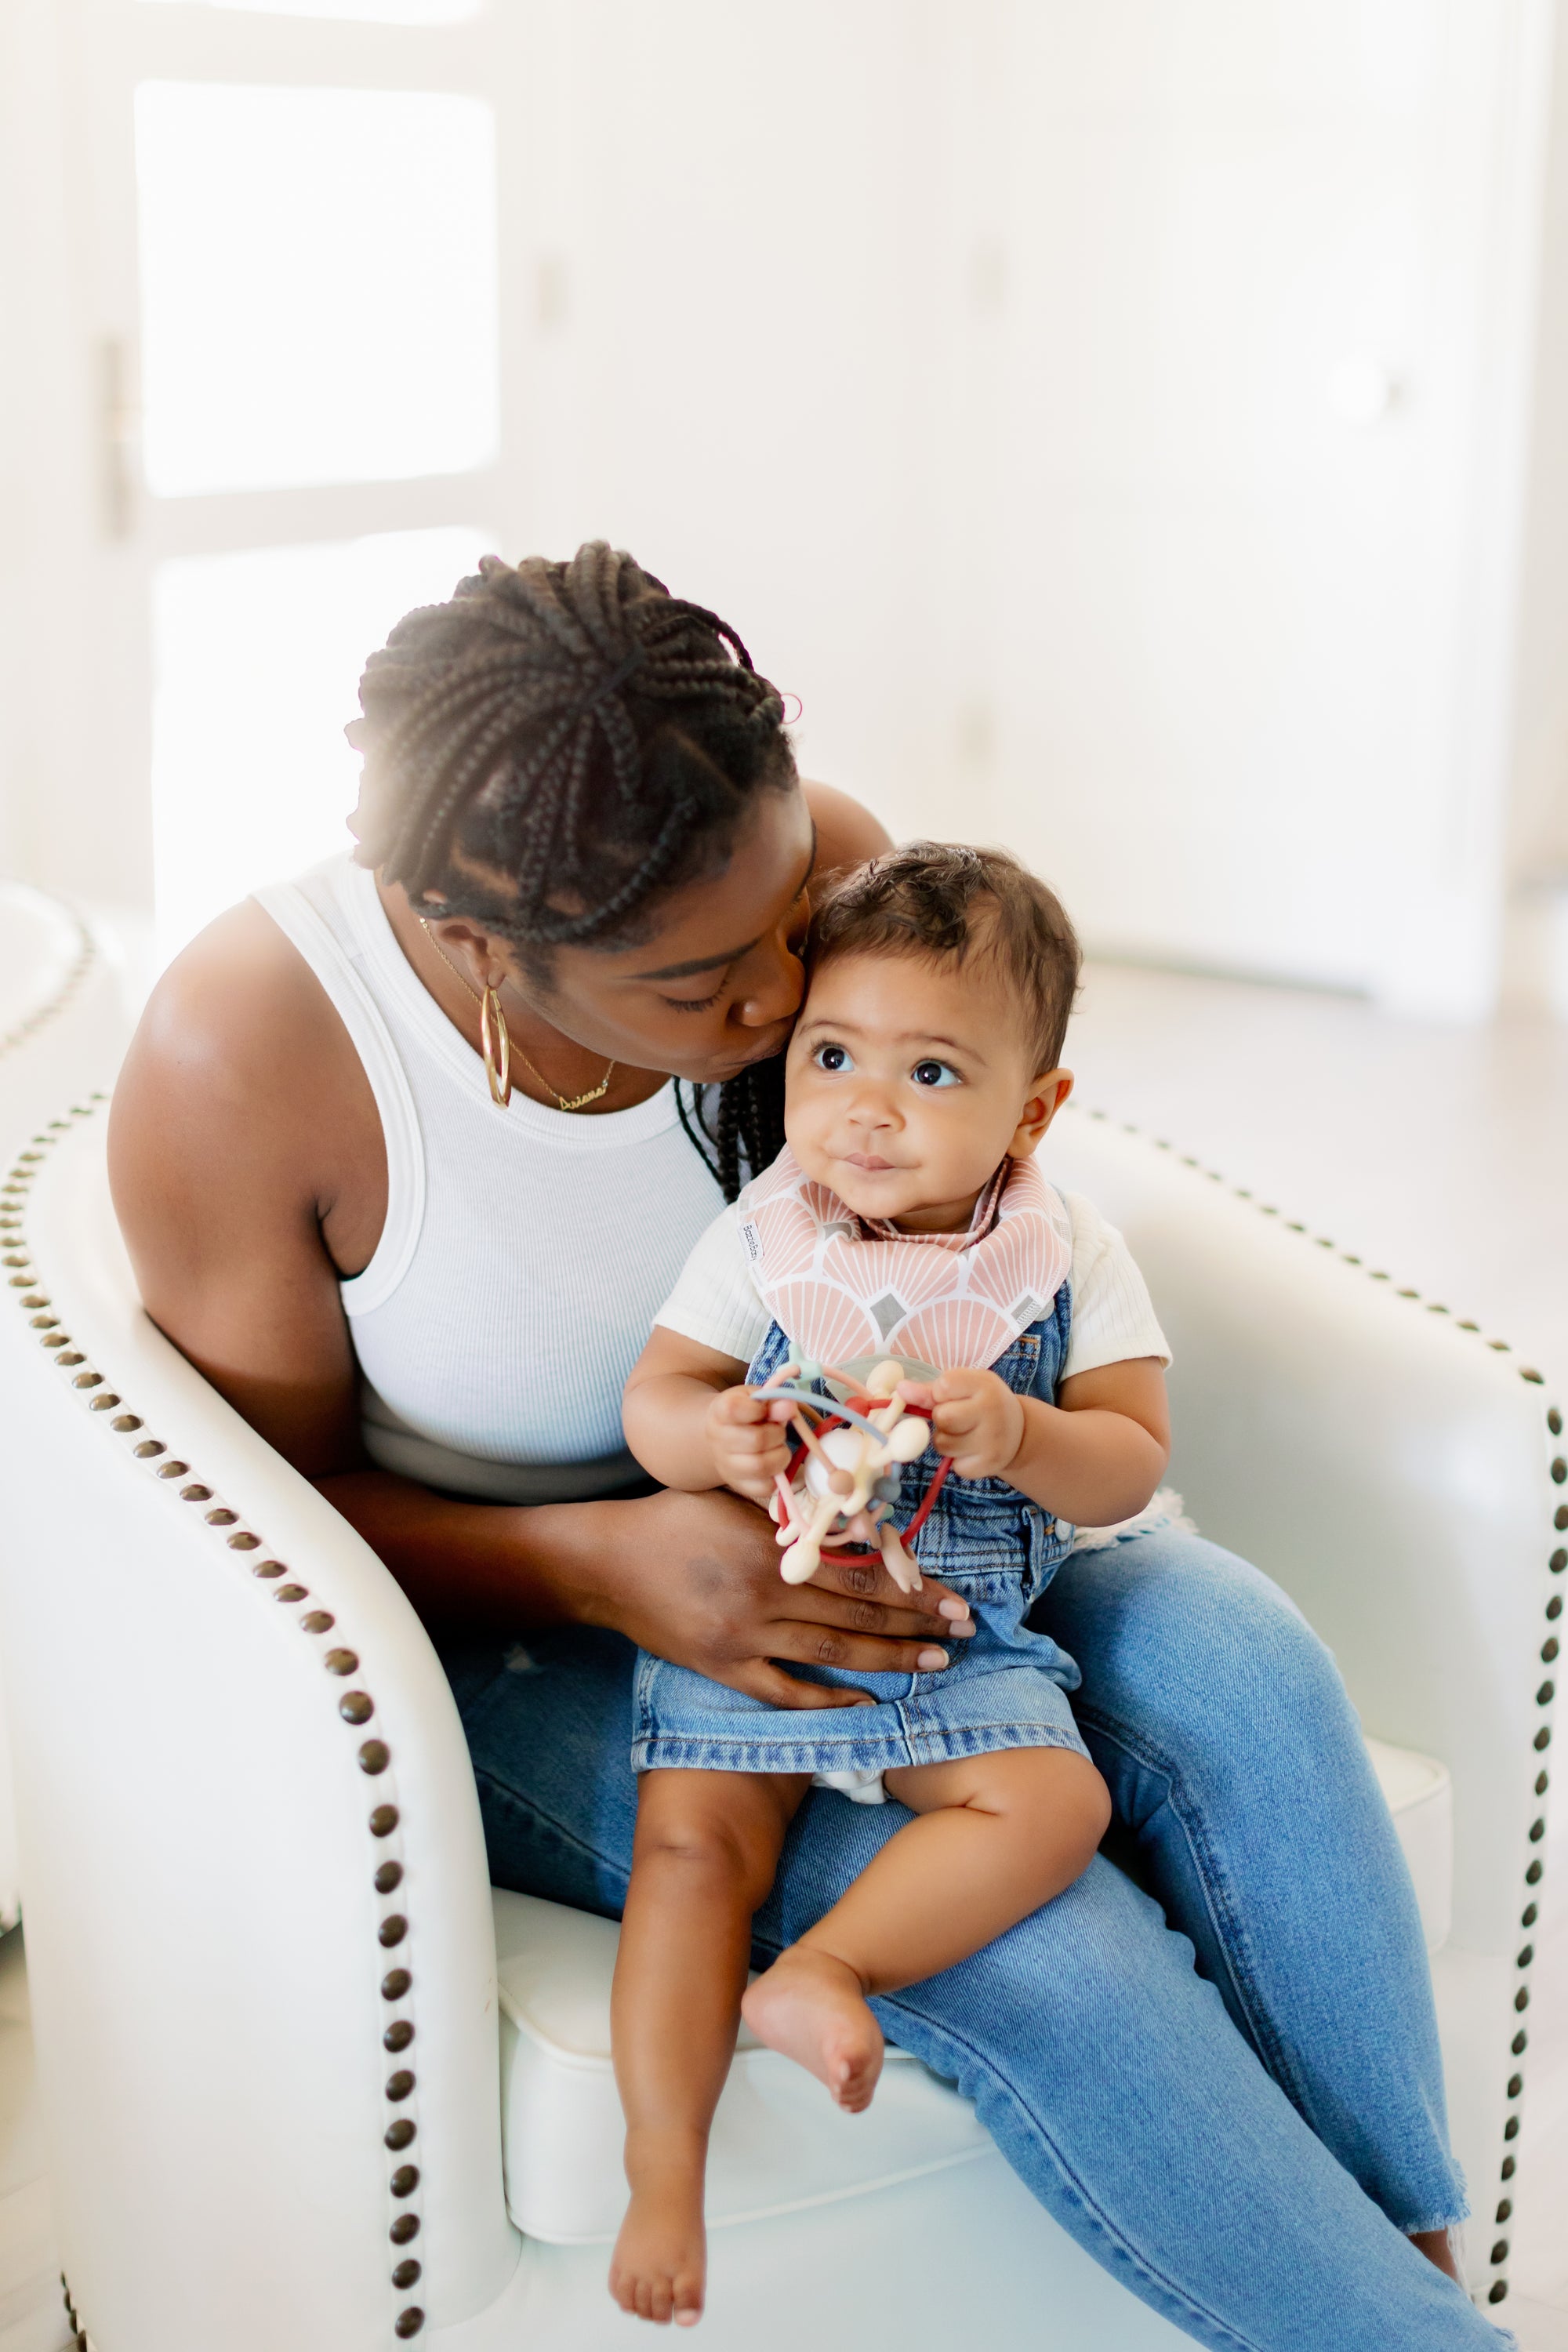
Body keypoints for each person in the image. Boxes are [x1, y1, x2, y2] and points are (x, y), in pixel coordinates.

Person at [108, 544, 1504, 2349]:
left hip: (915, 1502)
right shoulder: (260, 1053)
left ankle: (1404, 2283)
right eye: (708, 982)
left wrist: (1005, 1422)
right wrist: (600, 1558)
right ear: (479, 944)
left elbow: (972, 1179)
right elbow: (237, 1528)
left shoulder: (817, 872)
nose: (783, 999)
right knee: (1037, 1943)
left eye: (790, 925)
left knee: (1243, 1667)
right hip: (514, 1615)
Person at [611, 842, 1171, 2324]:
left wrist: (1030, 1430)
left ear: (1033, 1109)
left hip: (948, 1636)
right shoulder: (769, 1235)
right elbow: (655, 1398)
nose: (863, 1107)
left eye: (931, 1075)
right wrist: (709, 1437)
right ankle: (662, 2169)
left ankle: (825, 1969)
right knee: (688, 1855)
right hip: (764, 1605)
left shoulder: (1065, 1256)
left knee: (1058, 1802)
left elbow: (1131, 1464)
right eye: (835, 1055)